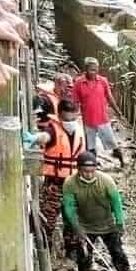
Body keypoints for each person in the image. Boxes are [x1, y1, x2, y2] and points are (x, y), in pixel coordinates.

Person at [62, 151, 133, 271]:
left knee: (117, 252)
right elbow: (69, 208)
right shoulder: (70, 183)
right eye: (85, 171)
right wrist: (77, 228)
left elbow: (116, 203)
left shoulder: (106, 181)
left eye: (92, 171)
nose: (89, 175)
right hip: (86, 226)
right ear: (78, 169)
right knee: (84, 255)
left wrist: (119, 223)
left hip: (108, 225)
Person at [35, 97, 84, 254]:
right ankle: (45, 251)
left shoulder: (80, 129)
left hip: (74, 184)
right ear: (59, 115)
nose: (70, 121)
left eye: (73, 117)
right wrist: (36, 138)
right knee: (48, 220)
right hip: (54, 184)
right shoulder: (53, 129)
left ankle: (71, 251)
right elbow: (46, 137)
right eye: (66, 118)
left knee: (72, 220)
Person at [72, 57, 125, 168]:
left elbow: (109, 97)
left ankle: (122, 162)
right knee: (90, 147)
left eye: (96, 70)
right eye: (91, 70)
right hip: (88, 121)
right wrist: (74, 118)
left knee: (112, 142)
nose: (94, 72)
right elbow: (75, 103)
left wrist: (118, 111)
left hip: (102, 119)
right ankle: (93, 167)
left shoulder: (103, 81)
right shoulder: (78, 83)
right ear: (86, 69)